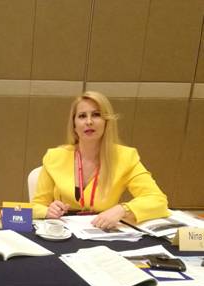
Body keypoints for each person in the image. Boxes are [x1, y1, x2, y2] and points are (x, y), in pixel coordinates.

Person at [32, 90, 168, 229]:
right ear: (74, 125)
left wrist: (122, 209)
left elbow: (158, 200)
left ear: (106, 122)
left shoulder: (126, 157)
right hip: (63, 231)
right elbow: (36, 206)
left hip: (102, 230)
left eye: (96, 115)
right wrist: (48, 211)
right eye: (82, 116)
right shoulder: (54, 157)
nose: (89, 122)